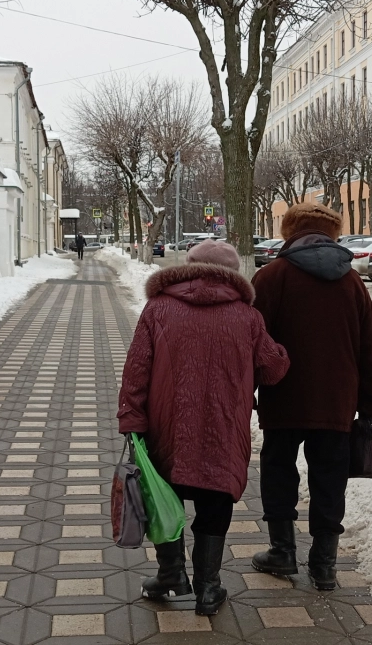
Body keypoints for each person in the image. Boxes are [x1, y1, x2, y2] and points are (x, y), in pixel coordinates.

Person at [118, 240, 290, 615]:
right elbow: (273, 368)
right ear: (233, 274)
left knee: (165, 495)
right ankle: (209, 588)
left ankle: (170, 575)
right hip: (224, 426)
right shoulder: (247, 317)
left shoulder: (158, 308)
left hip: (166, 425)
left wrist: (132, 419)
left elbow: (136, 369)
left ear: (190, 266)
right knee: (216, 496)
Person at [250, 203, 372, 591]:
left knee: (278, 472)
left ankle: (282, 552)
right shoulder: (352, 282)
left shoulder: (272, 276)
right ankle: (324, 565)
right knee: (330, 478)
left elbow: (254, 343)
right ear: (333, 234)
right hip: (337, 401)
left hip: (283, 396)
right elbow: (370, 349)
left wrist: (249, 391)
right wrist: (371, 405)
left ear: (290, 231)